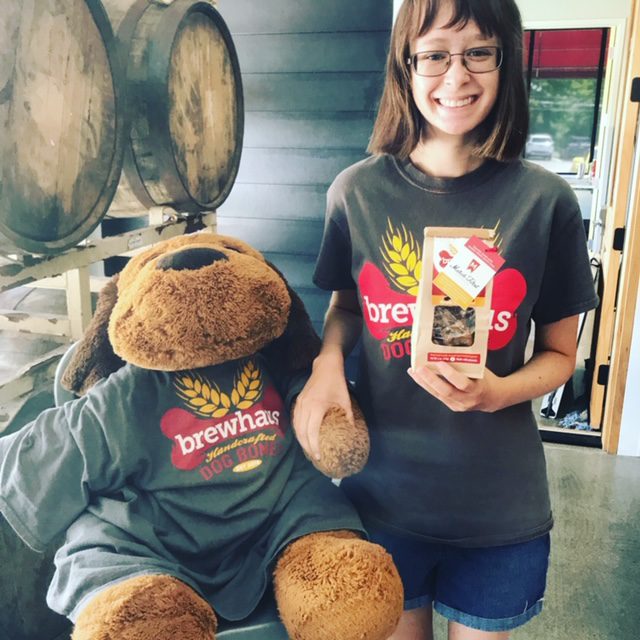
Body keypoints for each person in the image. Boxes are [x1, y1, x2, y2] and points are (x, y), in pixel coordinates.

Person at [292, 1, 599, 639]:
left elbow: (562, 355)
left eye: (478, 52)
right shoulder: (355, 192)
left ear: (504, 61)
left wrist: (498, 393)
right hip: (381, 499)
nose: (455, 76)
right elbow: (347, 306)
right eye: (434, 54)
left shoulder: (546, 202)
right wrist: (326, 364)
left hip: (498, 511)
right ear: (406, 67)